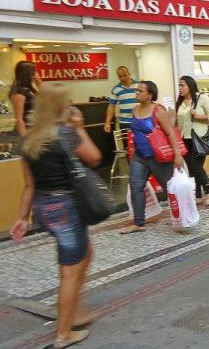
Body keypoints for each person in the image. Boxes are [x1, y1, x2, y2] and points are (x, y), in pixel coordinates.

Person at [10, 82, 101, 348]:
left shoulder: (28, 140)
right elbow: (94, 157)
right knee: (69, 271)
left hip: (44, 208)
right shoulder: (65, 134)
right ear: (62, 106)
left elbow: (29, 185)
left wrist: (22, 217)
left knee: (85, 254)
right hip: (66, 209)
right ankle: (64, 333)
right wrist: (80, 128)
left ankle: (77, 311)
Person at [123, 81, 184, 234]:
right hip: (139, 156)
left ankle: (183, 216)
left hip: (158, 157)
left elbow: (170, 132)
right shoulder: (135, 110)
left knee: (170, 187)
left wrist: (177, 155)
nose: (137, 93)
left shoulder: (158, 110)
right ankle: (138, 222)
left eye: (140, 91)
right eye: (136, 91)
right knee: (136, 186)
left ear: (150, 95)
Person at [176, 76, 209, 206]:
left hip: (199, 139)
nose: (180, 88)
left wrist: (198, 116)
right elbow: (180, 122)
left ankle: (208, 192)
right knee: (191, 168)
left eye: (182, 85)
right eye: (179, 85)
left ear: (190, 85)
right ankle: (198, 196)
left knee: (196, 167)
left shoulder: (201, 98)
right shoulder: (181, 101)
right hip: (185, 139)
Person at [9, 61, 41, 137]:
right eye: (34, 71)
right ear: (28, 73)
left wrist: (39, 82)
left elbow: (44, 99)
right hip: (26, 130)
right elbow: (19, 119)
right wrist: (24, 139)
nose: (36, 73)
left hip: (34, 129)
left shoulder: (29, 89)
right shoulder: (19, 92)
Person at [103, 66, 139, 133]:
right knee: (127, 143)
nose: (123, 78)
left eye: (125, 75)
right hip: (124, 123)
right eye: (120, 76)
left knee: (141, 142)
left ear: (129, 74)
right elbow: (111, 107)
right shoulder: (116, 89)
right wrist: (107, 123)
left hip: (138, 121)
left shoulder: (139, 85)